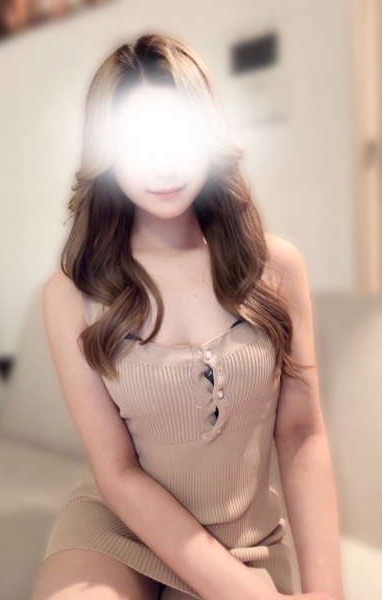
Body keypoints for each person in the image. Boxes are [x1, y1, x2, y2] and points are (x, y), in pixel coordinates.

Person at [31, 33, 346, 600]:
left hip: (243, 537)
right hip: (119, 526)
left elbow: (302, 434)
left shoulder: (275, 269)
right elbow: (117, 473)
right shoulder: (72, 294)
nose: (163, 163)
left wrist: (327, 594)